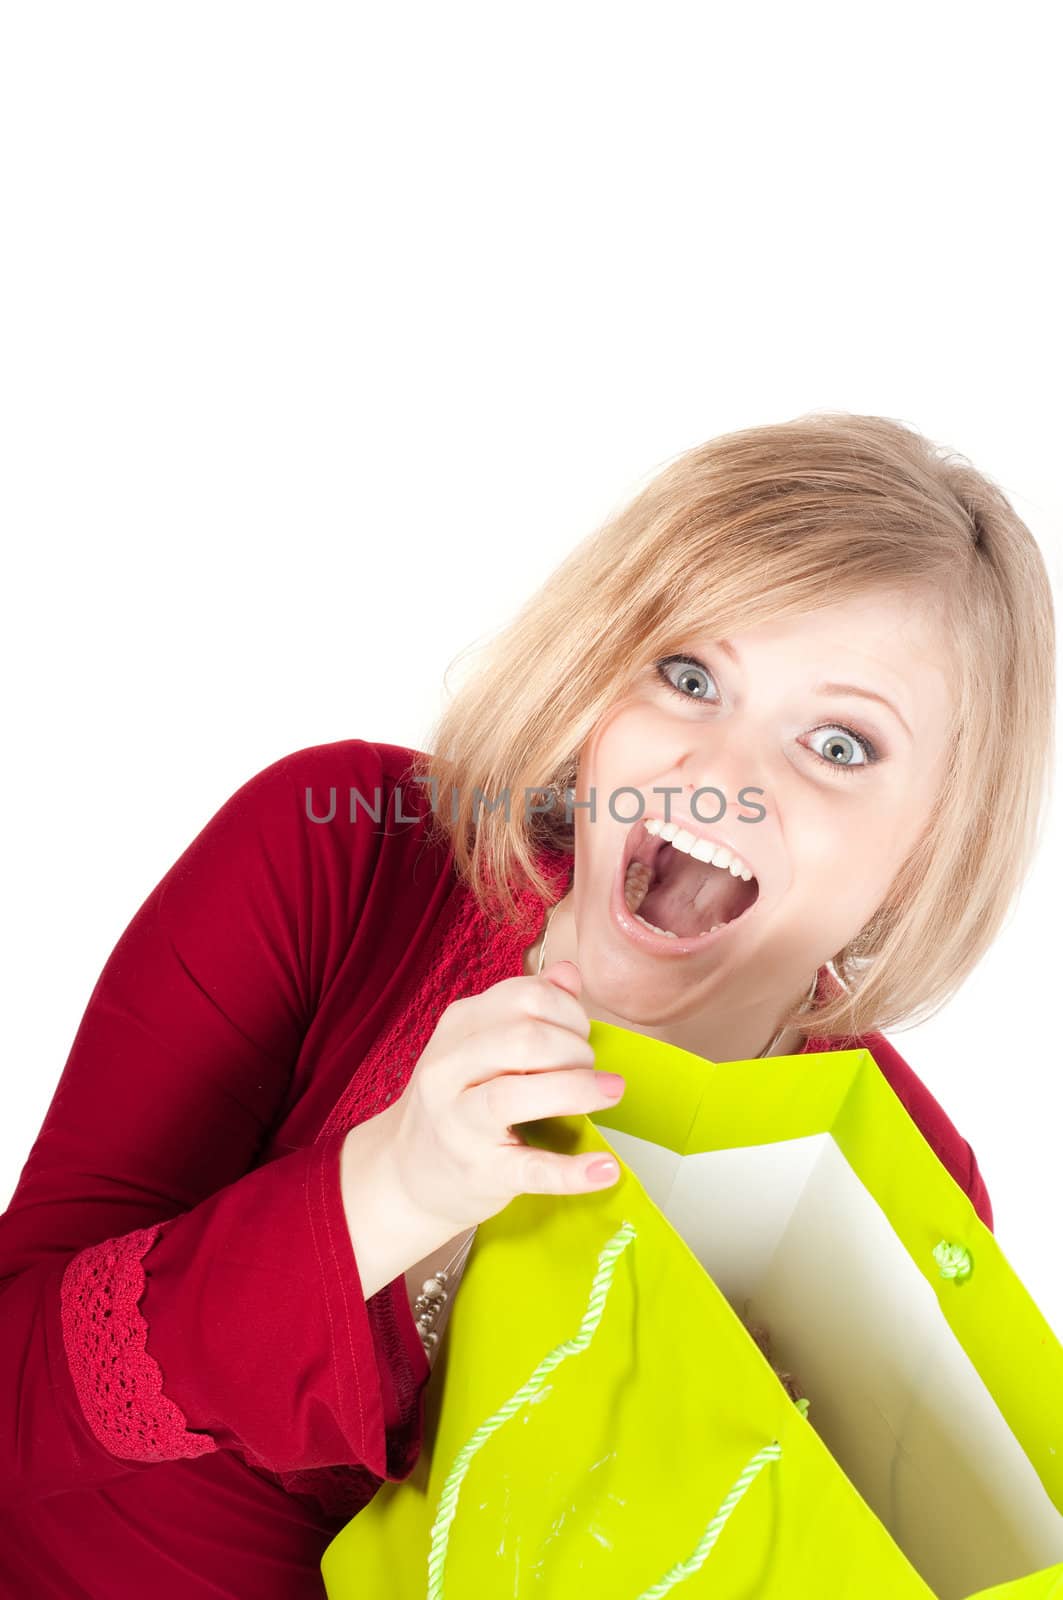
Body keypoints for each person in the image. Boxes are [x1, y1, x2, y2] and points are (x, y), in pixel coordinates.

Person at [0, 412, 1052, 1597]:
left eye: (840, 744)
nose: (718, 774)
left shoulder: (889, 1183)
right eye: (689, 673)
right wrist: (383, 1190)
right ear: (602, 678)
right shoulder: (340, 858)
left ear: (931, 848)